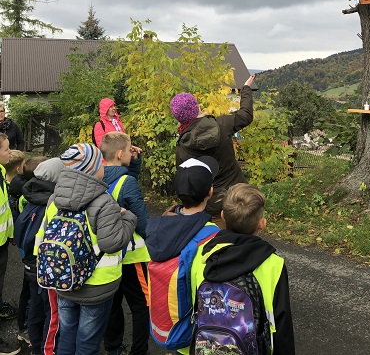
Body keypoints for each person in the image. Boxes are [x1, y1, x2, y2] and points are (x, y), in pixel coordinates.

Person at [36, 143, 137, 355]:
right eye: (100, 163)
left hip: (63, 279)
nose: (103, 166)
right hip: (97, 286)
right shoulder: (104, 202)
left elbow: (46, 233)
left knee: (67, 334)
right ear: (91, 169)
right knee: (88, 342)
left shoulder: (55, 199)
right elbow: (112, 243)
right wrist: (128, 217)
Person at [192, 183, 295, 355]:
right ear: (262, 224)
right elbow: (282, 323)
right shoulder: (273, 264)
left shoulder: (203, 255)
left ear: (223, 216)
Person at [146, 156, 220, 355]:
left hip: (174, 327)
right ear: (210, 192)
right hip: (199, 333)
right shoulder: (212, 235)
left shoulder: (160, 227)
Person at [100, 132, 150, 355]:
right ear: (120, 154)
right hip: (131, 256)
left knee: (112, 304)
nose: (132, 152)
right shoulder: (126, 182)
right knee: (141, 305)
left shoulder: (97, 176)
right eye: (129, 150)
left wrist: (134, 164)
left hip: (107, 255)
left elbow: (123, 184)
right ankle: (139, 350)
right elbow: (143, 222)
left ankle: (113, 348)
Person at [171, 75, 255, 190]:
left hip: (210, 198)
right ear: (197, 108)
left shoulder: (183, 148)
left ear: (178, 118)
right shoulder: (222, 124)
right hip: (237, 193)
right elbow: (246, 114)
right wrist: (246, 89)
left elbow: (186, 183)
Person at [16, 157, 64, 355]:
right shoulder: (51, 202)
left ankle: (35, 345)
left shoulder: (30, 195)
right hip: (44, 265)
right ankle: (48, 349)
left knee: (35, 305)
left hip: (29, 261)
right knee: (51, 312)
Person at [0, 134, 20, 355]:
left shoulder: (1, 172)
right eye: (6, 149)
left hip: (2, 241)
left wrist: (10, 233)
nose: (10, 152)